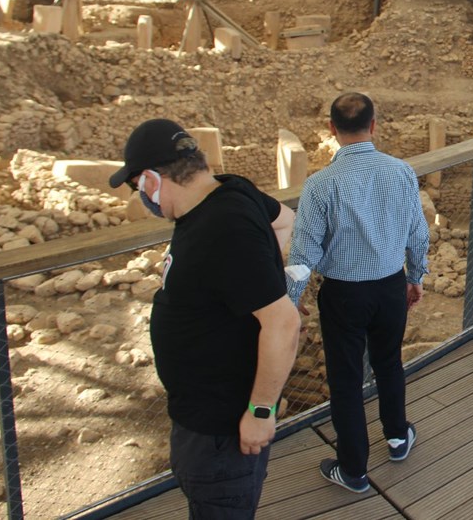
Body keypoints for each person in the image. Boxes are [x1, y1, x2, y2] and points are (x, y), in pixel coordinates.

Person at [108, 119, 301, 517]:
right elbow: (284, 221)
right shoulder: (230, 189)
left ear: (149, 180)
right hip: (205, 419)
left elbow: (283, 323)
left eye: (136, 187)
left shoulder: (222, 227)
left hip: (223, 430)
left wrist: (260, 412)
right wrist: (259, 274)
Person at [286, 93, 429, 494]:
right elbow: (418, 232)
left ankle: (353, 470)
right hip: (389, 288)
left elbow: (303, 251)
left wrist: (290, 299)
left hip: (343, 296)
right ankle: (398, 438)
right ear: (374, 125)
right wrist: (415, 275)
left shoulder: (319, 185)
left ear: (331, 130)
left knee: (346, 380)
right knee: (388, 363)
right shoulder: (401, 172)